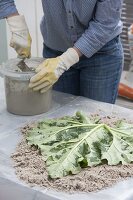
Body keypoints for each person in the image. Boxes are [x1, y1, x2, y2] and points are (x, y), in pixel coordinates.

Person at [0, 0, 124, 104]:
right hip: (55, 52)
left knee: (95, 120)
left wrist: (65, 61)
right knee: (61, 119)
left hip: (101, 55)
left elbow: (105, 23)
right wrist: (17, 25)